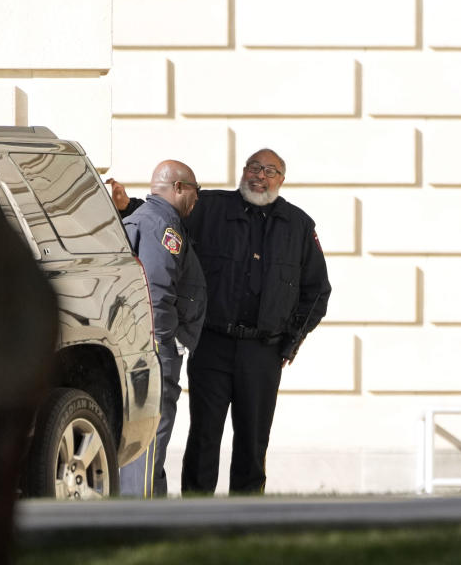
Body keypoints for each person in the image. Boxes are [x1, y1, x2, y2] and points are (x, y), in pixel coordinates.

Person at [110, 149, 330, 495]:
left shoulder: (299, 226)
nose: (260, 175)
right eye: (254, 167)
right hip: (212, 345)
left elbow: (317, 291)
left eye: (270, 171)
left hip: (263, 351)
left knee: (253, 440)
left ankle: (246, 514)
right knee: (204, 436)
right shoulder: (209, 207)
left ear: (281, 180)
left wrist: (291, 342)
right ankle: (197, 512)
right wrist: (125, 206)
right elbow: (162, 215)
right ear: (244, 172)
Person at [110, 161, 206, 498]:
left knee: (148, 440)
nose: (198, 199)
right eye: (196, 190)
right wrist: (168, 344)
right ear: (179, 188)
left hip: (142, 348)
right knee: (151, 439)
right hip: (156, 352)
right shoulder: (164, 226)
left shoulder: (145, 219)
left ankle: (151, 508)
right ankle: (140, 517)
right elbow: (156, 292)